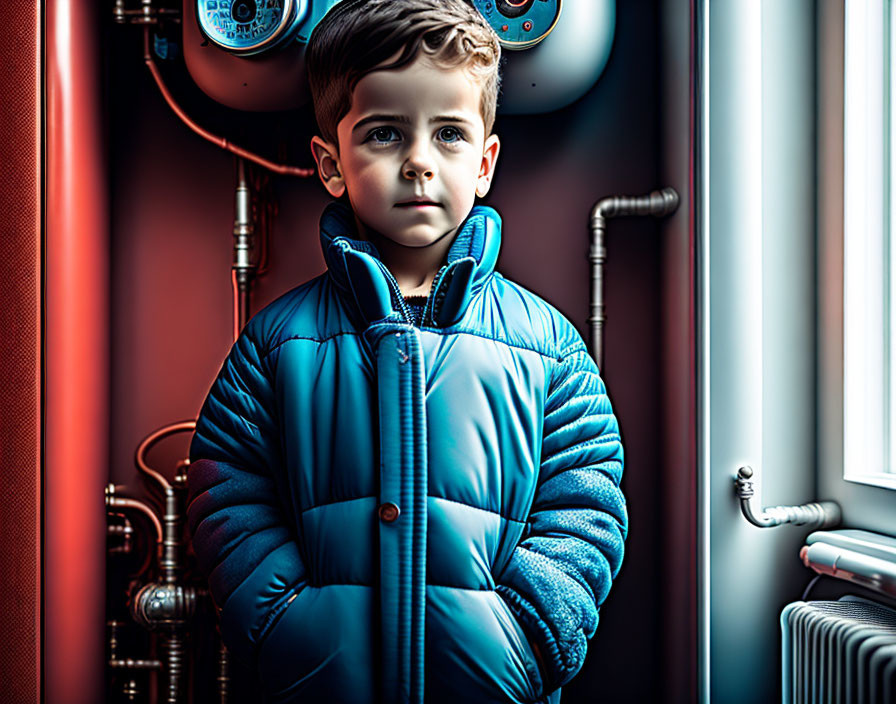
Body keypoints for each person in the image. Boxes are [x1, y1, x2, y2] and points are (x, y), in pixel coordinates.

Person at [185, 1, 628, 702]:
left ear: (484, 163)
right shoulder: (275, 345)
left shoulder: (550, 348)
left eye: (449, 134)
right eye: (386, 134)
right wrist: (281, 626)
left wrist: (529, 633)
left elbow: (587, 504)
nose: (420, 162)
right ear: (332, 164)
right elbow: (225, 493)